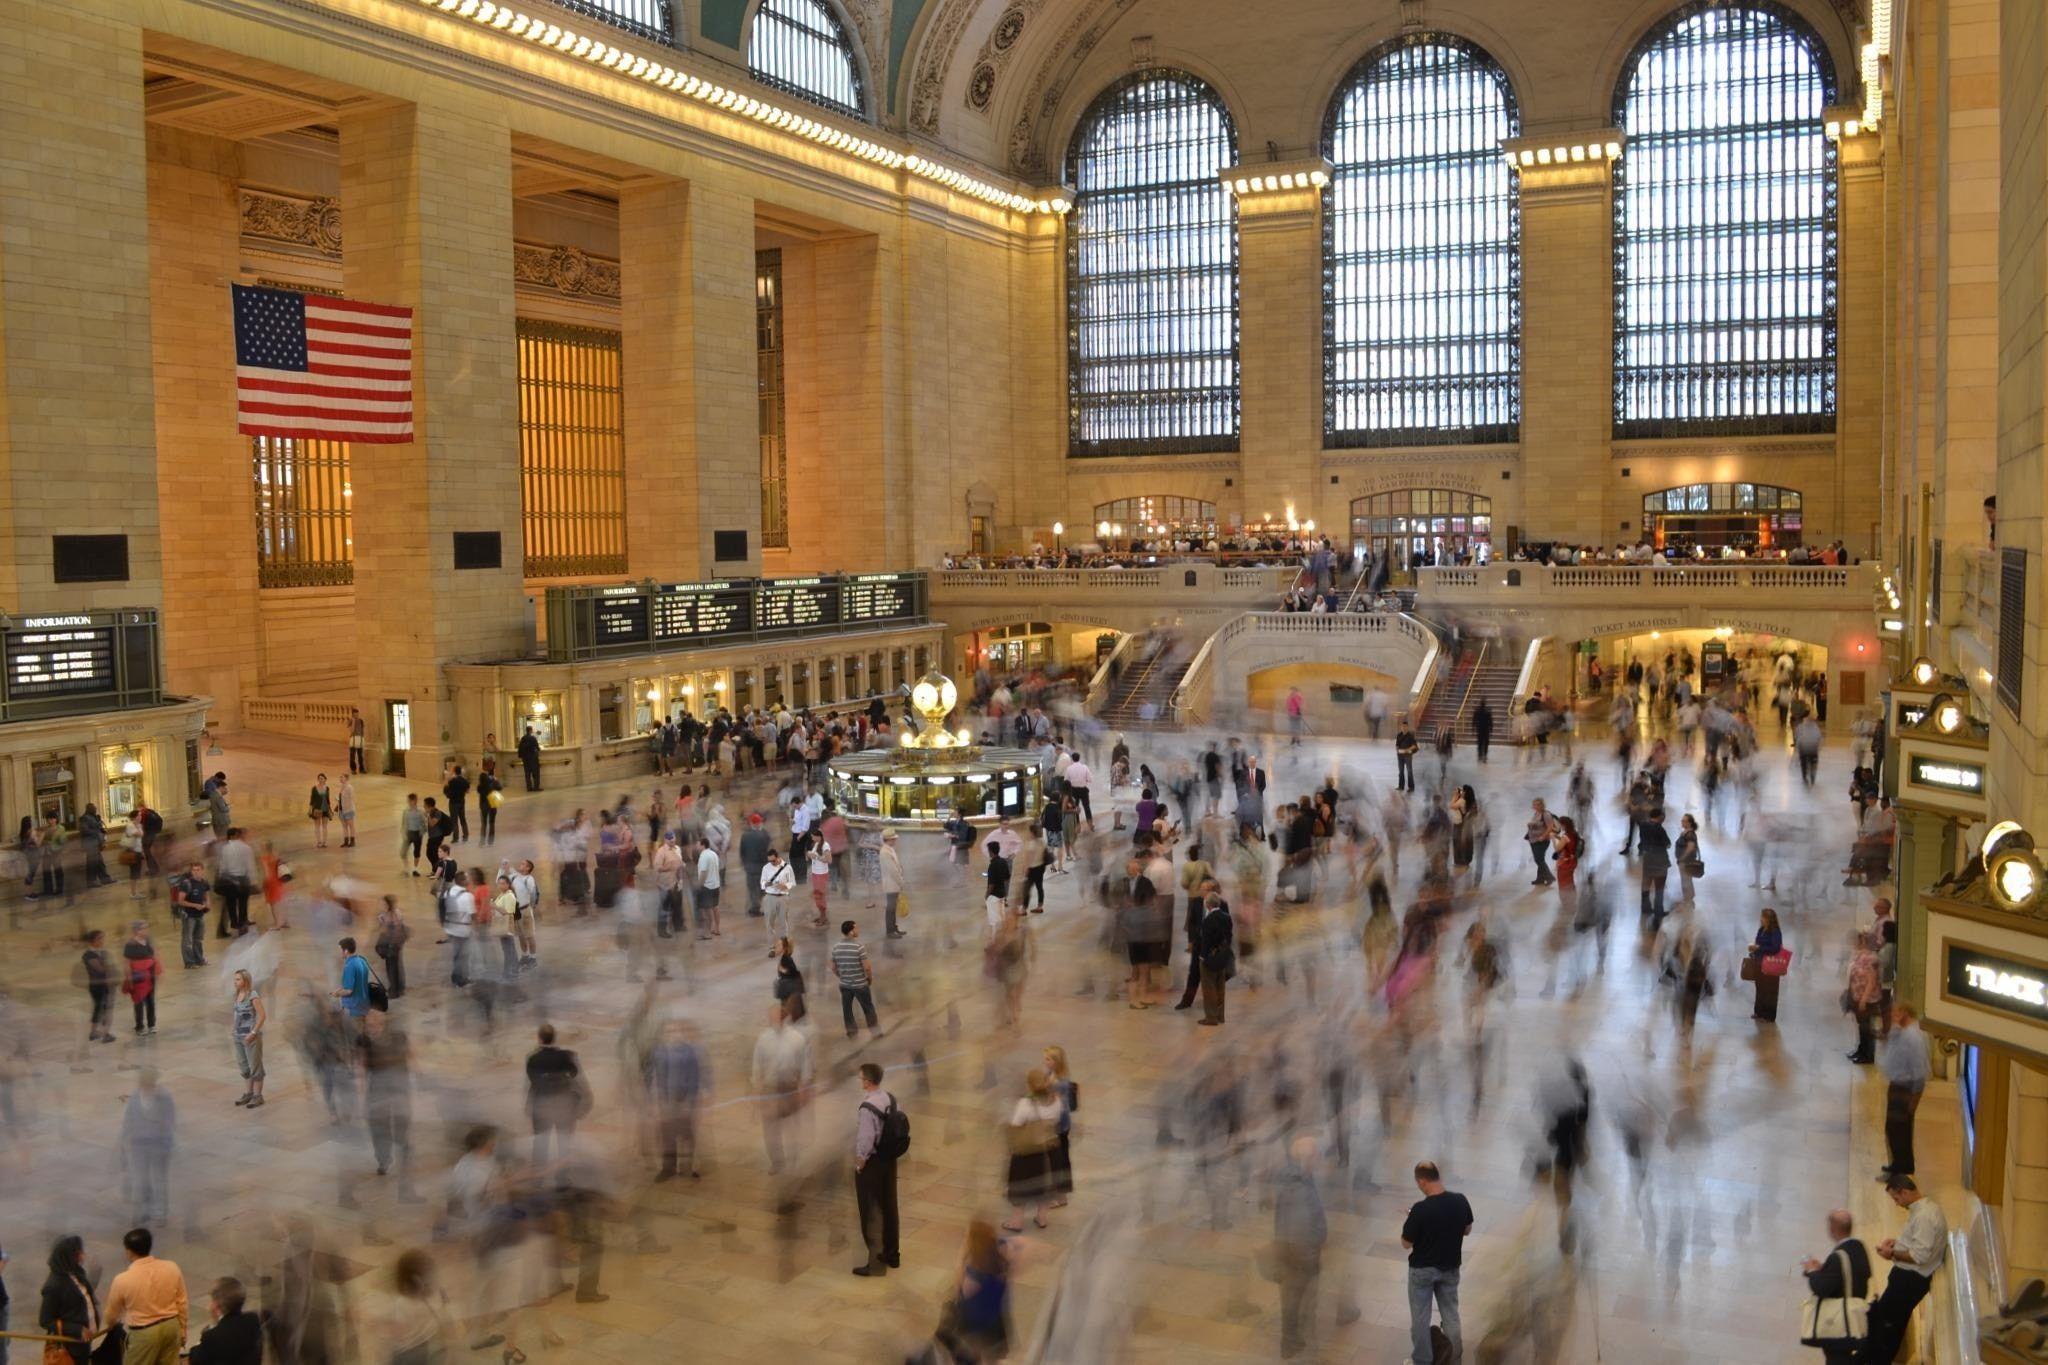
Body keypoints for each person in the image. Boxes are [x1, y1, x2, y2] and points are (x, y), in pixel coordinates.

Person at [1860, 1176, 1946, 1364]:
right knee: (1886, 1320)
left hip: (1909, 1281)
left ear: (1905, 1192)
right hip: (1907, 1279)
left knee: (1888, 1326)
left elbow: (1919, 1256)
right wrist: (1897, 1244)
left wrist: (1892, 1253)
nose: (1896, 1204)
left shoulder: (1924, 1216)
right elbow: (1917, 1243)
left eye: (1896, 1199)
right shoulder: (1926, 1209)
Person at [1400, 1160, 1473, 1365]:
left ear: (1422, 1181)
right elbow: (1467, 1230)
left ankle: (1422, 1361)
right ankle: (1454, 1359)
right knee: (1451, 1316)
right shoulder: (1460, 1200)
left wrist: (1412, 1218)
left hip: (1422, 1271)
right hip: (1450, 1267)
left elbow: (1406, 1243)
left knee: (1421, 1319)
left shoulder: (1420, 1210)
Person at [1272, 1134, 1328, 1359]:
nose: (1318, 1159)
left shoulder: (1302, 1178)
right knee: (1298, 1301)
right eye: (1315, 1155)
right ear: (1307, 1158)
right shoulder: (1298, 1186)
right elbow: (1298, 1225)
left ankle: (1293, 1340)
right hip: (1299, 1256)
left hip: (1296, 1253)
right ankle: (1292, 1343)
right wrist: (1310, 1255)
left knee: (1295, 1300)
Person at [103, 1226, 186, 1364]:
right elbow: (182, 1302)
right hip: (172, 1327)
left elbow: (112, 1313)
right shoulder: (171, 1267)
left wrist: (110, 1324)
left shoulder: (122, 1279)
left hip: (144, 1333)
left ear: (128, 1251)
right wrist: (182, 1329)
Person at [1799, 1209, 1871, 1365]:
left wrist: (1812, 1271)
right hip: (1855, 1315)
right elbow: (1854, 1273)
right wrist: (1825, 1269)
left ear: (1832, 1229)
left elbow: (1821, 1288)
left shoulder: (1837, 1257)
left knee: (1837, 1359)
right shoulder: (1858, 1247)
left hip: (1838, 1322)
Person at [852, 1063, 901, 1277]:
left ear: (867, 1082)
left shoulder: (867, 1108)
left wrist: (859, 1164)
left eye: (861, 1078)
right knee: (889, 1207)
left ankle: (874, 1262)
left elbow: (866, 1139)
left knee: (870, 1212)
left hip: (872, 1164)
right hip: (888, 1161)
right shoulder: (889, 1098)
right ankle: (892, 1254)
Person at [646, 1019, 707, 1182]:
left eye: (674, 1031)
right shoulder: (658, 1052)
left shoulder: (689, 1052)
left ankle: (687, 1167)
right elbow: (651, 1076)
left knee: (687, 1135)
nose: (672, 1035)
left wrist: (691, 1102)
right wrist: (652, 1101)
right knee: (667, 1135)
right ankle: (668, 1168)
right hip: (665, 1101)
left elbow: (694, 1078)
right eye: (668, 1032)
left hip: (684, 1100)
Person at [1881, 1005, 1930, 1180]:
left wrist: (1914, 1099)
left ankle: (1902, 1170)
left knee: (1900, 1129)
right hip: (1897, 1084)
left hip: (1906, 1087)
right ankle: (1897, 1165)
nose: (1893, 1015)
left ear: (1906, 1013)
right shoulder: (1902, 1032)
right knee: (1893, 1128)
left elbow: (1920, 1071)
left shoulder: (1913, 1037)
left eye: (1897, 1012)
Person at [36, 1235, 100, 1365]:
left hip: (83, 1343)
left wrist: (95, 1276)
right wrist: (76, 1329)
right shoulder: (53, 1286)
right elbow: (45, 1320)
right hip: (70, 1347)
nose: (83, 1255)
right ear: (70, 1256)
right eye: (79, 1252)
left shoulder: (76, 1273)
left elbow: (82, 1297)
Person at [525, 1023, 583, 1164]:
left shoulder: (533, 1058)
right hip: (563, 1105)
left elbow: (533, 1080)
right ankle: (562, 1179)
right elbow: (574, 1072)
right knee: (563, 1143)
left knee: (540, 1143)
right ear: (554, 1038)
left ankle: (538, 1179)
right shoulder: (565, 1056)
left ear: (539, 1039)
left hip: (541, 1105)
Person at [186, 1277, 262, 1365]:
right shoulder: (252, 1319)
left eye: (212, 1300)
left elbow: (196, 1361)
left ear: (217, 1305)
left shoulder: (212, 1336)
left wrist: (199, 1343)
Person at [832, 920, 880, 1038]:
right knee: (868, 1008)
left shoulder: (836, 947)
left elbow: (833, 968)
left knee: (847, 1009)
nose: (858, 930)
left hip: (844, 985)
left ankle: (851, 1032)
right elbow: (867, 967)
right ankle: (875, 1031)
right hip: (860, 985)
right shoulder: (859, 947)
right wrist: (869, 979)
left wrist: (842, 976)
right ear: (851, 932)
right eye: (856, 928)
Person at [229, 970, 266, 1109]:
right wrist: (233, 1029)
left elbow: (262, 1016)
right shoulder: (237, 995)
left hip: (251, 1037)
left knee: (255, 1066)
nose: (235, 982)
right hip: (238, 1036)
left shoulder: (253, 996)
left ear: (245, 980)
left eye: (238, 979)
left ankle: (258, 1096)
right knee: (244, 1066)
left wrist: (253, 1032)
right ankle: (248, 1093)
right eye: (235, 979)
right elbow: (236, 1015)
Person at [1197, 891, 1234, 1025]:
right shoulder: (1227, 917)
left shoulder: (1208, 920)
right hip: (1223, 956)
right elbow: (1229, 937)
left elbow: (1206, 941)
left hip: (1210, 958)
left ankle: (1211, 1018)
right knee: (1220, 987)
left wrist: (1202, 957)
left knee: (1209, 988)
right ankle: (1220, 1016)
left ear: (1208, 905)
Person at [121, 923, 162, 1035]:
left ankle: (151, 1025)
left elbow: (153, 955)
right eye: (144, 928)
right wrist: (129, 978)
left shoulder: (148, 940)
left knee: (150, 1000)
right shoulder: (130, 944)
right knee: (139, 1001)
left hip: (150, 974)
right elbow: (126, 962)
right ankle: (139, 1027)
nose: (146, 930)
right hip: (138, 976)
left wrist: (157, 972)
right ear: (137, 930)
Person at [169, 862, 210, 969]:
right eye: (194, 870)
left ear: (202, 870)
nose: (196, 872)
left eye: (198, 870)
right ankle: (189, 962)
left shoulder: (204, 882)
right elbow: (180, 901)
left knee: (198, 939)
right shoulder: (186, 884)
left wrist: (206, 904)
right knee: (188, 940)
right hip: (189, 916)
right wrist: (195, 905)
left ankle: (199, 959)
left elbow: (206, 895)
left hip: (200, 915)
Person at [1749, 908, 1786, 1023]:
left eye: (1763, 917)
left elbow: (1775, 949)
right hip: (1759, 963)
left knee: (1770, 990)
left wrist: (1760, 948)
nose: (1761, 919)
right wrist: (1754, 949)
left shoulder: (1775, 932)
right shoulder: (1761, 930)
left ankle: (1769, 1015)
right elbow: (1758, 942)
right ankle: (1759, 1011)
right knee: (1760, 988)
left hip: (1770, 965)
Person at [82, 929, 115, 1044]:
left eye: (103, 938)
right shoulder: (88, 955)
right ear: (93, 941)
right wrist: (109, 969)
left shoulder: (102, 952)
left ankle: (93, 1033)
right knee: (104, 1009)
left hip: (102, 984)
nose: (102, 940)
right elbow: (101, 970)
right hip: (97, 986)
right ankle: (105, 1034)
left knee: (99, 1009)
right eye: (99, 938)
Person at [760, 849, 795, 954]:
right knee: (769, 923)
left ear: (778, 857)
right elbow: (762, 882)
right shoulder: (766, 868)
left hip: (783, 897)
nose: (771, 863)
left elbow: (792, 882)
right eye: (770, 861)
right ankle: (771, 947)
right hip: (770, 897)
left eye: (773, 860)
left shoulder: (787, 867)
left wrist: (785, 886)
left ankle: (785, 946)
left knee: (783, 923)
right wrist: (766, 884)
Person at [331, 937, 371, 1026]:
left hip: (353, 1008)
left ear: (346, 951)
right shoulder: (362, 960)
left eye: (340, 950)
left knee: (353, 1035)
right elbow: (357, 982)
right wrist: (338, 990)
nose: (339, 952)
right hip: (364, 1004)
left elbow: (349, 991)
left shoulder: (350, 966)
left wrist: (337, 994)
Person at [879, 830, 906, 939]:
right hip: (891, 883)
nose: (895, 840)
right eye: (893, 839)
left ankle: (894, 928)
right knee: (890, 908)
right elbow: (892, 870)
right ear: (888, 839)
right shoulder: (885, 852)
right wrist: (901, 882)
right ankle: (890, 931)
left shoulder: (889, 850)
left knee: (893, 907)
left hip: (894, 883)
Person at [1525, 799, 1559, 886]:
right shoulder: (1536, 813)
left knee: (1539, 859)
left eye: (1536, 804)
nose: (1534, 806)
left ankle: (1549, 877)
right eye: (1534, 804)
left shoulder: (1546, 814)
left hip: (1542, 840)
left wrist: (1543, 836)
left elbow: (1550, 827)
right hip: (1533, 840)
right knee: (1540, 859)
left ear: (1541, 805)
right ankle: (1540, 878)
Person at [442, 765, 470, 843]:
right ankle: (466, 836)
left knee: (454, 821)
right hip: (461, 802)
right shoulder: (465, 781)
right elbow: (468, 791)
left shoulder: (452, 781)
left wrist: (448, 778)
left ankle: (456, 838)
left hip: (453, 802)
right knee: (463, 819)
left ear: (454, 771)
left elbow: (446, 788)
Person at [308, 774, 333, 849]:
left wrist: (330, 809)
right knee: (317, 826)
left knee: (325, 826)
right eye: (319, 778)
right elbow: (312, 800)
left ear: (325, 779)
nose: (320, 780)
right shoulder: (314, 788)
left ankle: (324, 842)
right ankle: (319, 841)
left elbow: (328, 800)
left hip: (325, 809)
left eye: (322, 778)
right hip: (317, 809)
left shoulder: (327, 788)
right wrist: (310, 809)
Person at [1394, 722, 1418, 792]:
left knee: (1409, 771)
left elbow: (1414, 746)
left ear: (1407, 727)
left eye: (1405, 726)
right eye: (1403, 726)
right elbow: (1397, 745)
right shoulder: (1399, 735)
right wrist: (1397, 750)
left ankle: (1411, 787)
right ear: (1401, 727)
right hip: (1400, 755)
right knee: (1401, 771)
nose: (1404, 728)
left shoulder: (1410, 735)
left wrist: (1408, 749)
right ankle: (1401, 786)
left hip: (1408, 755)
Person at [518, 725, 543, 791]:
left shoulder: (523, 738)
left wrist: (521, 756)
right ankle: (536, 787)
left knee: (527, 773)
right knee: (535, 773)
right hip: (533, 758)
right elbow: (537, 747)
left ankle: (529, 788)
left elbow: (520, 748)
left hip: (525, 759)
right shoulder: (533, 738)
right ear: (530, 730)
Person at [335, 773, 357, 848]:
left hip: (348, 810)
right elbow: (341, 798)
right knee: (344, 826)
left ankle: (352, 841)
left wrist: (347, 808)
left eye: (342, 777)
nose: (340, 779)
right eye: (340, 777)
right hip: (341, 810)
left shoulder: (349, 787)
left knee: (351, 826)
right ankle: (346, 841)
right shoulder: (342, 787)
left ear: (346, 779)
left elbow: (351, 799)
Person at [347, 706, 367, 774]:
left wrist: (362, 738)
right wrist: (353, 721)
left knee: (360, 755)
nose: (357, 715)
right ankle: (353, 769)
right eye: (355, 714)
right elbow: (351, 731)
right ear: (352, 714)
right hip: (353, 739)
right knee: (352, 756)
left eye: (357, 714)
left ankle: (361, 769)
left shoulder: (361, 721)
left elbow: (363, 730)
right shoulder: (350, 721)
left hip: (360, 739)